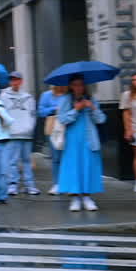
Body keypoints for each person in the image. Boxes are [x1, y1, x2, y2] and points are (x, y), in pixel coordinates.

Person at [57, 76, 106, 211]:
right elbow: (62, 119)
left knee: (88, 166)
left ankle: (87, 197)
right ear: (71, 86)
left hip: (89, 139)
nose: (78, 87)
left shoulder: (91, 99)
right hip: (72, 140)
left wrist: (93, 108)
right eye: (75, 84)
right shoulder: (66, 100)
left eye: (81, 84)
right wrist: (76, 109)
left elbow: (101, 119)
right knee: (74, 167)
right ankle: (75, 198)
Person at [0, 71, 40, 196]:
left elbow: (33, 114)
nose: (14, 82)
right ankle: (13, 184)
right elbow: (1, 113)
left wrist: (29, 127)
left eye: (17, 79)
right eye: (12, 80)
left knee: (27, 160)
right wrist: (7, 128)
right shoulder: (4, 96)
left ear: (21, 81)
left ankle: (29, 185)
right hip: (12, 133)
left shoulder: (28, 97)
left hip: (26, 134)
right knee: (13, 161)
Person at [38, 84, 68, 194]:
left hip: (67, 126)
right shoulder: (46, 95)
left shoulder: (68, 95)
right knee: (56, 157)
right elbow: (41, 111)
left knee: (67, 156)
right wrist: (54, 109)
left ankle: (68, 183)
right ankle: (57, 183)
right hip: (52, 127)